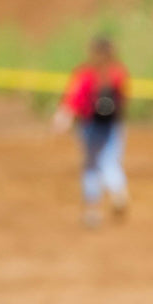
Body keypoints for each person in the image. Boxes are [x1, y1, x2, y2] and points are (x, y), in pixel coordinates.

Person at [53, 36, 129, 227]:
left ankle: (93, 211)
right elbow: (123, 100)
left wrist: (63, 118)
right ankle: (117, 190)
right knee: (111, 162)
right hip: (113, 126)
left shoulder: (85, 74)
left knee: (91, 167)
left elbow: (73, 99)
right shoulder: (118, 73)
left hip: (90, 126)